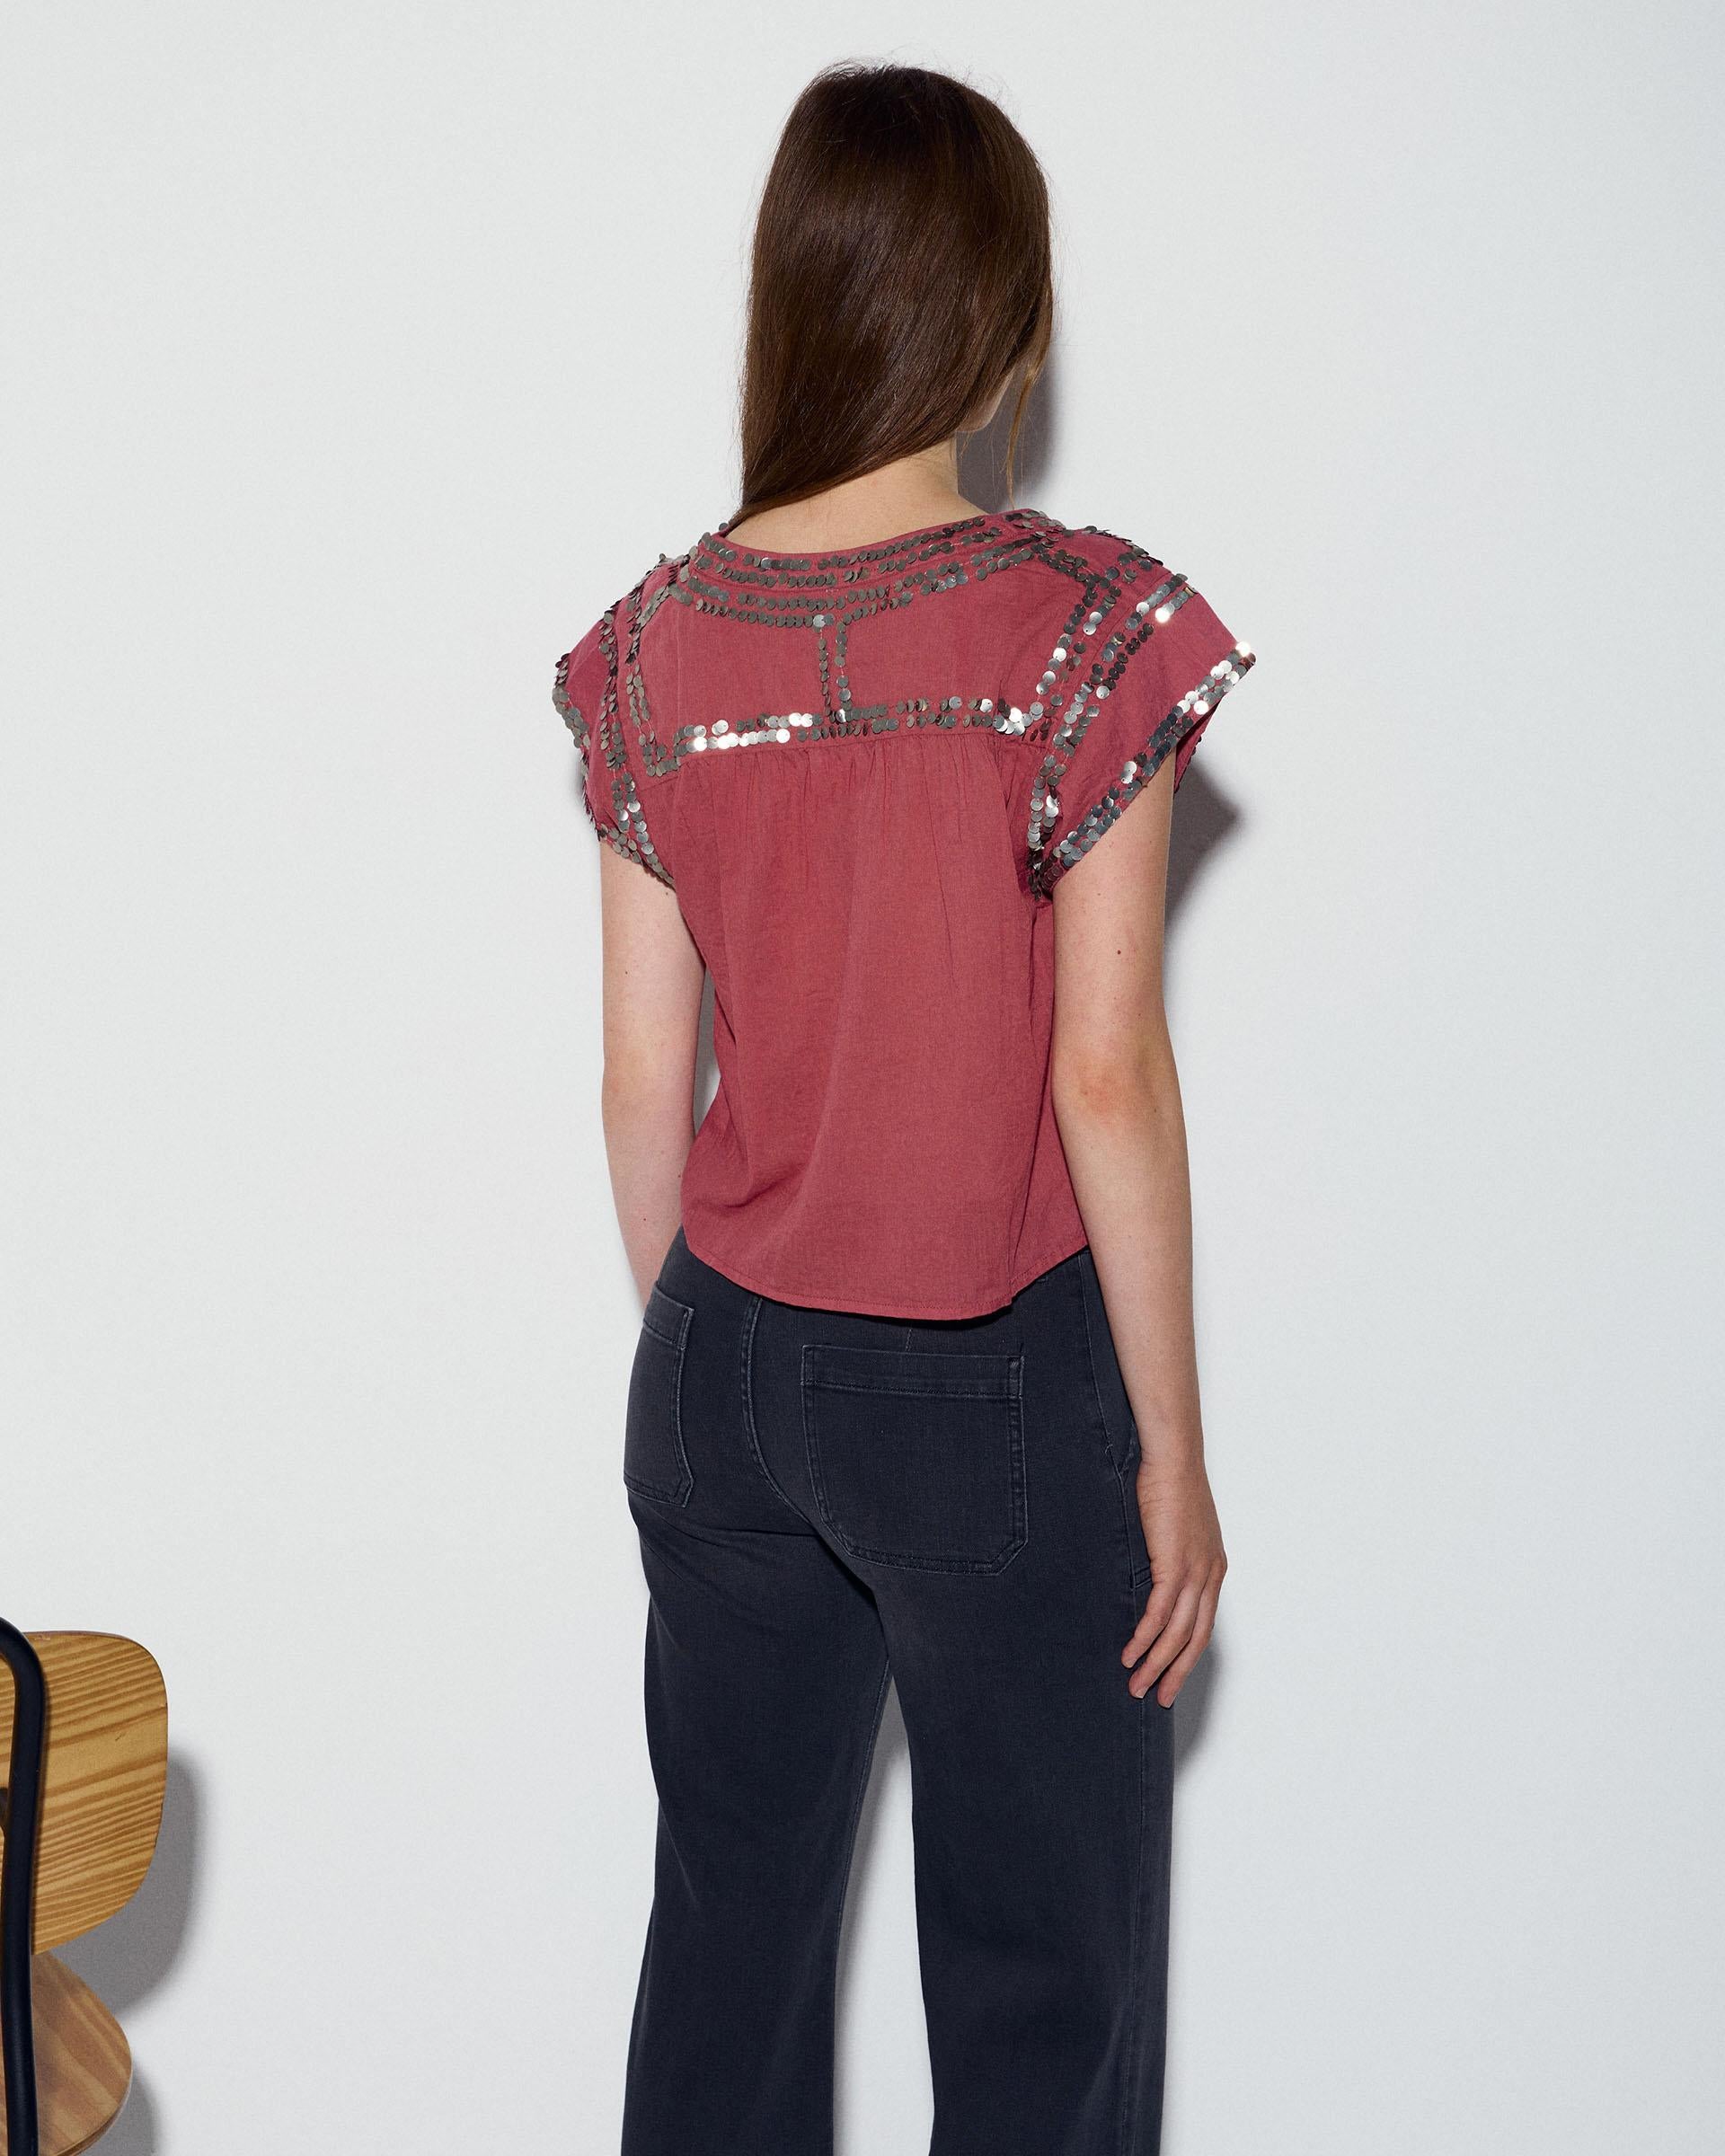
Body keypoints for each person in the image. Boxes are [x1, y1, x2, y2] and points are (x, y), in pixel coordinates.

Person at [552, 58, 1256, 2156]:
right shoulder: (1082, 627)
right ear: (1003, 317)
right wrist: (1174, 1454)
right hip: (993, 1384)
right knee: (1042, 1984)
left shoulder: (651, 648)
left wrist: (729, 1355)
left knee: (729, 1953)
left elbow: (638, 1081)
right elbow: (1105, 1070)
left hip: (717, 1369)